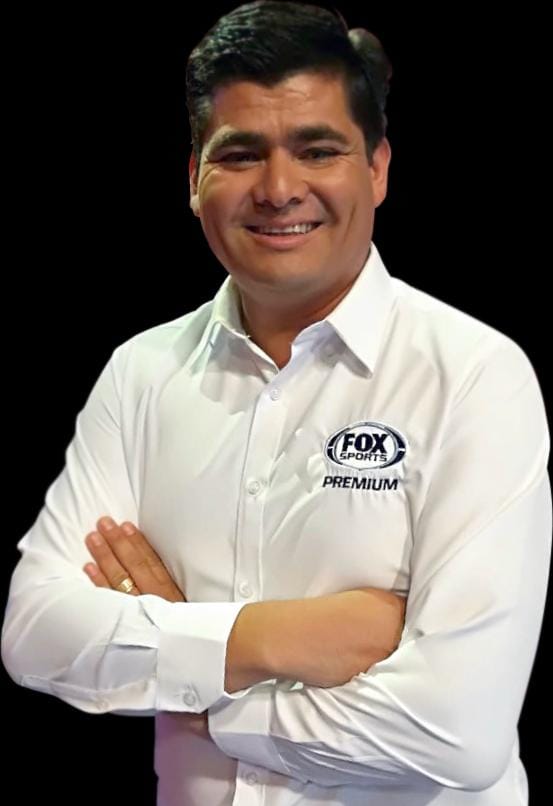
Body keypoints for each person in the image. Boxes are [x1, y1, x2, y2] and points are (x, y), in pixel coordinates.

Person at [2, 2, 550, 804]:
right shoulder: (142, 373)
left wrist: (192, 687)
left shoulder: (470, 374)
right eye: (240, 154)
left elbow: (457, 732)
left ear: (377, 169)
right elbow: (36, 635)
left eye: (317, 150)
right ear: (194, 178)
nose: (279, 189)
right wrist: (275, 637)